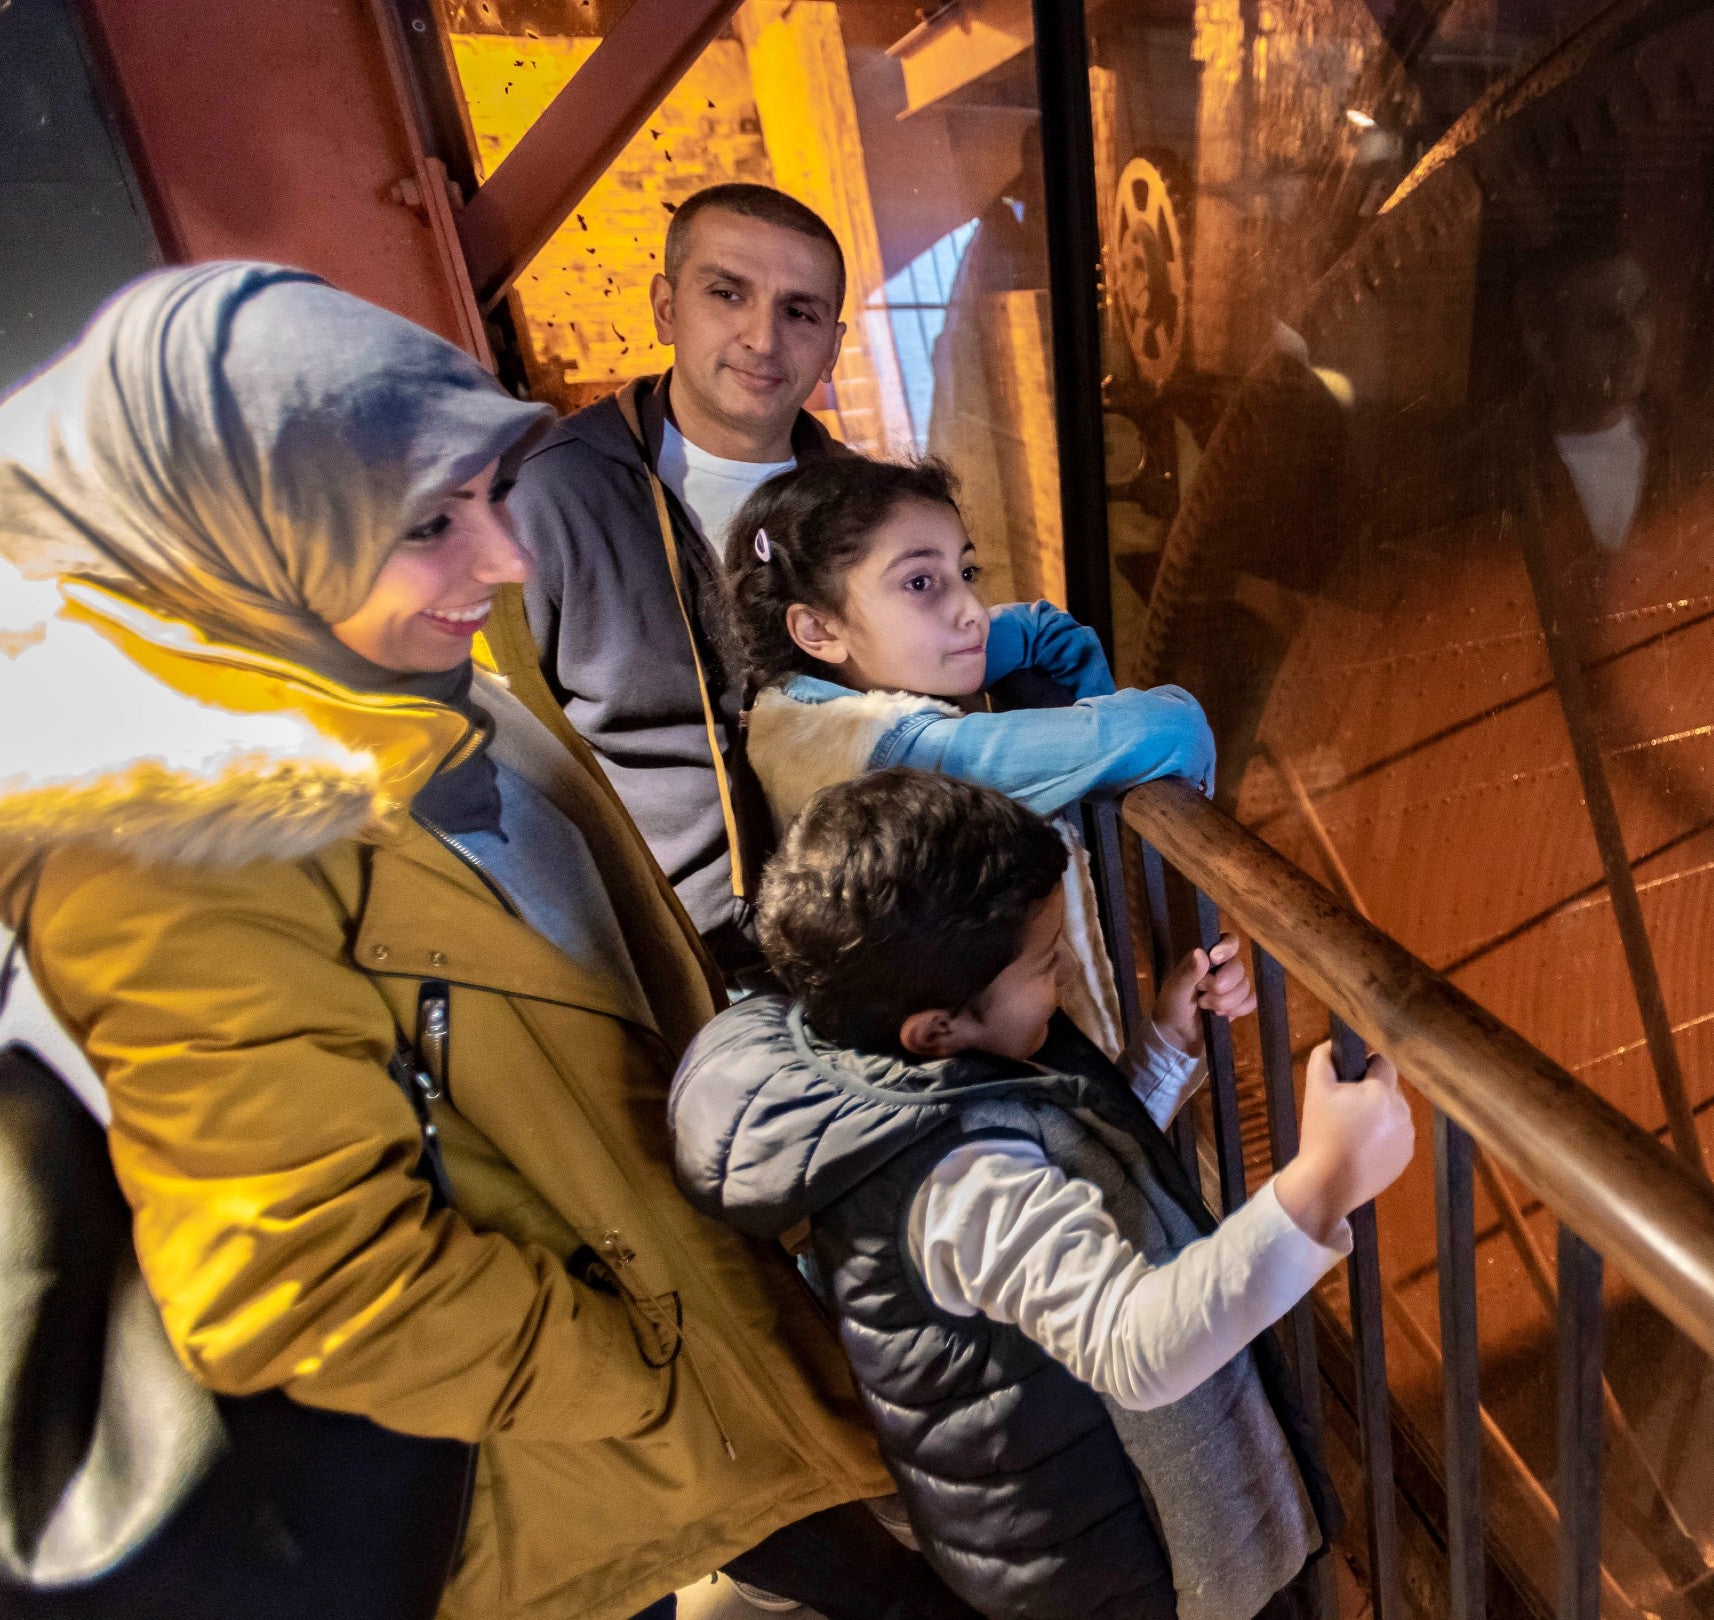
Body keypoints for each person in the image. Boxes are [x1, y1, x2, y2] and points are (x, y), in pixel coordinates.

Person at [0, 263, 964, 1620]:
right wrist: (642, 1371)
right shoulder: (167, 861)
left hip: (687, 1321)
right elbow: (299, 1276)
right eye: (429, 522)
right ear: (242, 532)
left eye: (490, 496)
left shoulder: (388, 674)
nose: (502, 558)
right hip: (586, 1434)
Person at [672, 770, 1415, 1620]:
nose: (1061, 972)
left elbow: (1067, 1168)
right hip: (1120, 1569)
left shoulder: (893, 1076)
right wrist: (1323, 1183)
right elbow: (1137, 1350)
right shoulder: (952, 1186)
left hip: (1095, 1515)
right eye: (1044, 963)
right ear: (937, 1029)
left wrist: (1168, 1046)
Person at [720, 452, 1213, 1049]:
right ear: (818, 630)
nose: (972, 612)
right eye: (920, 583)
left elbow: (1042, 630)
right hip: (990, 1067)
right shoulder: (901, 759)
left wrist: (1084, 744)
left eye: (967, 573)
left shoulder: (793, 707)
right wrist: (1095, 760)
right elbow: (1171, 729)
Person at [497, 182, 852, 976]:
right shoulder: (549, 498)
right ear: (667, 308)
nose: (763, 338)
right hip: (659, 965)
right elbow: (495, 747)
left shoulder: (866, 510)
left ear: (832, 341)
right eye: (727, 294)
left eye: (799, 312)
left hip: (861, 944)